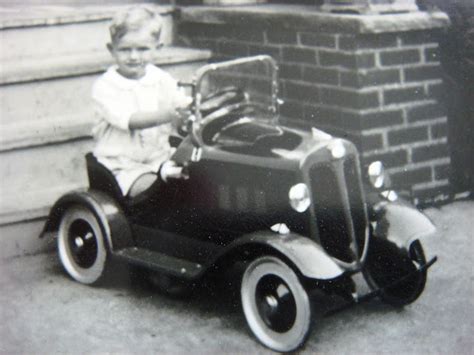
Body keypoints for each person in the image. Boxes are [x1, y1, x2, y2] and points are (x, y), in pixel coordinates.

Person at [91, 6, 190, 198]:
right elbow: (131, 120)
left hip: (160, 157)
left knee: (197, 178)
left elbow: (179, 102)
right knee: (157, 191)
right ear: (112, 49)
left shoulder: (161, 78)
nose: (134, 56)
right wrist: (171, 113)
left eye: (143, 49)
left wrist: (189, 110)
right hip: (122, 166)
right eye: (125, 49)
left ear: (157, 49)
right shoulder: (106, 86)